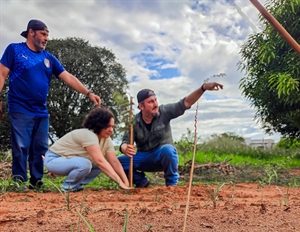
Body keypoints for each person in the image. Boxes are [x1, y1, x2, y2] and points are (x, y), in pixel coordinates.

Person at [0, 19, 101, 190]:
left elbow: (68, 77)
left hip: (41, 110)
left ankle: (36, 181)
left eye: (47, 35)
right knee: (21, 144)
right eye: (43, 34)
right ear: (31, 32)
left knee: (40, 147)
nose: (46, 38)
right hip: (19, 107)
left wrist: (88, 92)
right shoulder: (14, 50)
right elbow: (2, 74)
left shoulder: (49, 58)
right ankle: (19, 181)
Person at [118, 82, 223, 187]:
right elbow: (125, 143)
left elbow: (185, 103)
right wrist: (125, 148)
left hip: (162, 156)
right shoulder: (133, 122)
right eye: (150, 102)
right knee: (117, 161)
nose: (155, 104)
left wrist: (203, 88)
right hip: (144, 158)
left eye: (155, 100)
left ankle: (171, 184)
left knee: (168, 150)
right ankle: (141, 182)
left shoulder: (164, 111)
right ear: (141, 106)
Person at [44, 106, 130, 192]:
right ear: (99, 125)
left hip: (70, 161)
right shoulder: (89, 135)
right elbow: (100, 161)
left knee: (98, 166)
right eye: (107, 126)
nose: (111, 130)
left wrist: (126, 182)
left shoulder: (106, 140)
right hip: (54, 159)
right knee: (86, 164)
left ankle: (77, 185)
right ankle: (68, 188)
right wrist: (119, 182)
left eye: (112, 127)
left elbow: (114, 161)